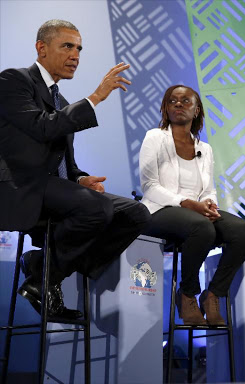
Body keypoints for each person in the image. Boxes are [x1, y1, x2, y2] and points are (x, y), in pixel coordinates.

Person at [0, 20, 151, 319]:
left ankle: (45, 272)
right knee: (96, 210)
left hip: (53, 189)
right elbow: (42, 128)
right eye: (67, 46)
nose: (76, 55)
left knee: (136, 214)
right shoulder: (13, 81)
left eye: (79, 48)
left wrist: (80, 178)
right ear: (41, 48)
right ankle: (46, 276)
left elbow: (63, 162)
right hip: (22, 186)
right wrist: (96, 97)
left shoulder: (63, 101)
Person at [139, 85, 245, 325]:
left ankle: (213, 293)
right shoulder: (155, 137)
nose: (179, 104)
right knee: (202, 227)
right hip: (159, 211)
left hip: (196, 214)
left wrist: (209, 204)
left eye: (185, 101)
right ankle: (187, 292)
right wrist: (186, 203)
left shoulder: (205, 149)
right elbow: (149, 186)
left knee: (243, 231)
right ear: (165, 108)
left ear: (196, 109)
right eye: (172, 101)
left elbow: (208, 189)